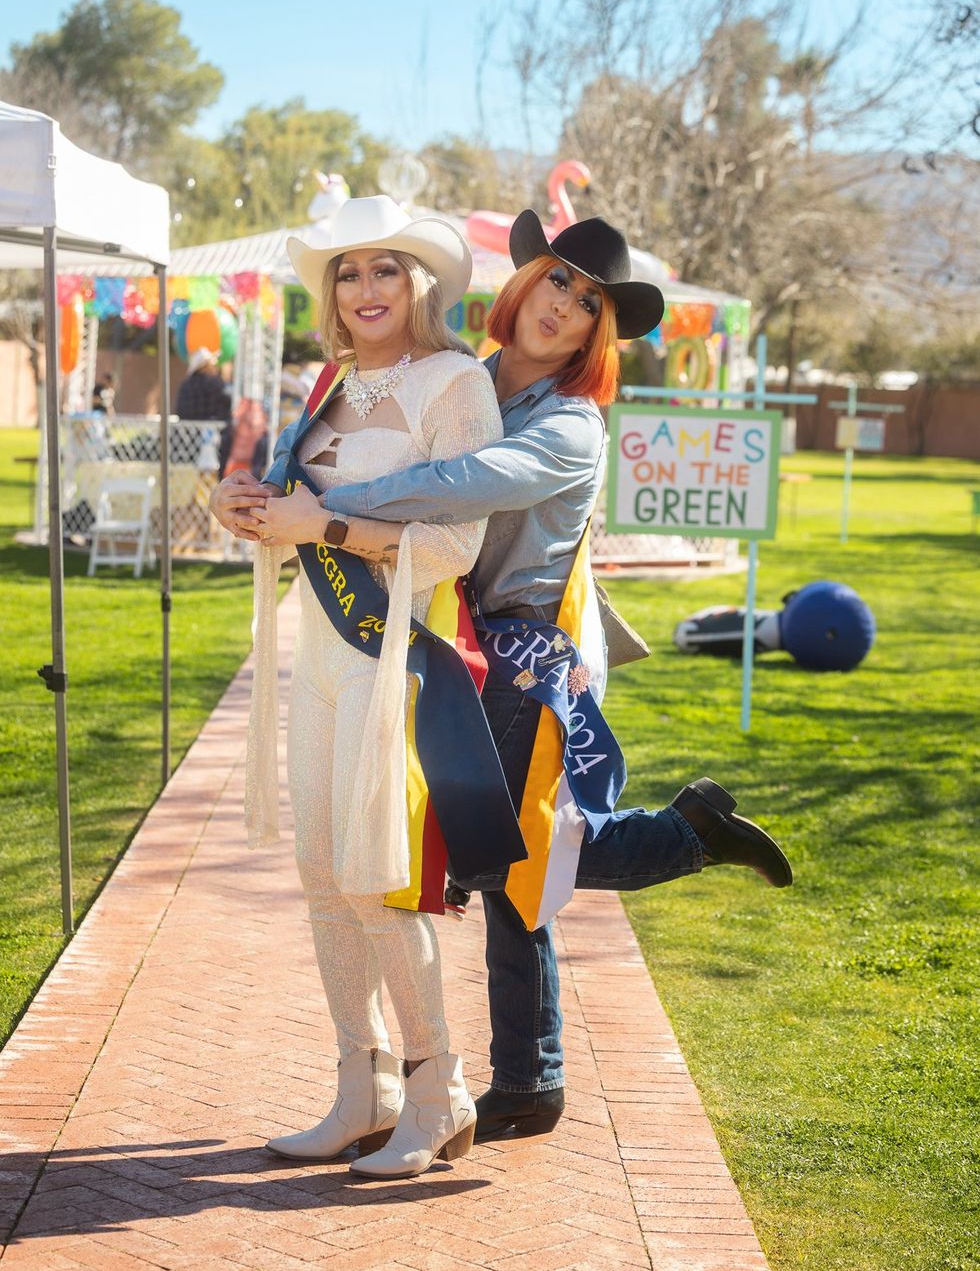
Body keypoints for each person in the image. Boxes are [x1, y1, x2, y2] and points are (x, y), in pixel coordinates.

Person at [213, 211, 792, 1144]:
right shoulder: (472, 380)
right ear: (520, 286)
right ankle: (526, 1076)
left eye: (588, 301)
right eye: (556, 281)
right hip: (446, 632)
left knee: (509, 854)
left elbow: (460, 484)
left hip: (519, 651)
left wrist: (317, 509)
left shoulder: (571, 425)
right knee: (492, 855)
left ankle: (684, 842)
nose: (564, 305)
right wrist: (268, 491)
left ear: (599, 332)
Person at [219, 195, 519, 1179]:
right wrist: (246, 505)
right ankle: (365, 1083)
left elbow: (455, 542)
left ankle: (440, 1089)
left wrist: (327, 530)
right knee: (318, 870)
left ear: (419, 282)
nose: (365, 288)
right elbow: (296, 505)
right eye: (348, 272)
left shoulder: (453, 382)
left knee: (378, 877)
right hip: (321, 657)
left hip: (396, 654)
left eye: (385, 268)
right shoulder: (330, 382)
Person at [175, 348, 232, 423]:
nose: (215, 366)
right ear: (204, 367)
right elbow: (229, 403)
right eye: (212, 364)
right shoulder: (213, 383)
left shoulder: (185, 385)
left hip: (188, 432)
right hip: (213, 431)